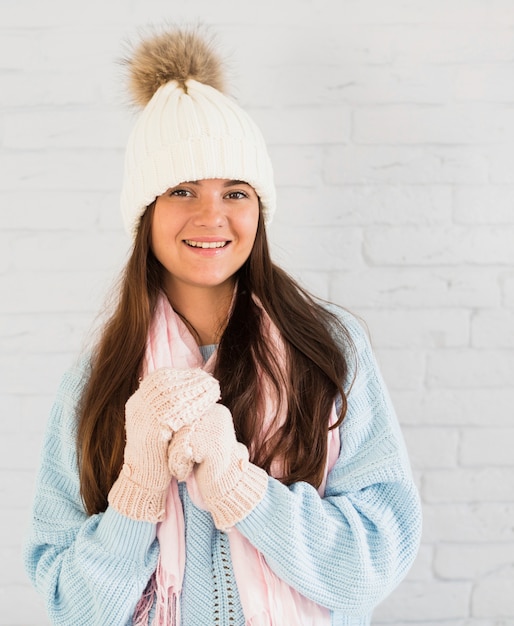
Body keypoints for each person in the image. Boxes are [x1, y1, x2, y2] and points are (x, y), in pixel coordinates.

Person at [23, 25, 422, 626]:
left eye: (235, 191)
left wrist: (243, 488)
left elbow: (375, 558)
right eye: (182, 189)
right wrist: (138, 486)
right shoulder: (99, 380)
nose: (212, 216)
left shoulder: (329, 349)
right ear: (145, 211)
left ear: (259, 209)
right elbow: (73, 607)